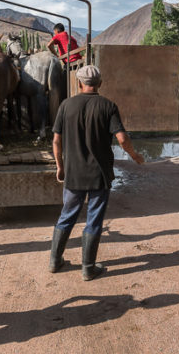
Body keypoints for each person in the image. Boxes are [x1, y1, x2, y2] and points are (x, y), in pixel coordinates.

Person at [49, 64, 144, 280]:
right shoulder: (108, 106)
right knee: (94, 219)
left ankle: (55, 261)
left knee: (67, 216)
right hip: (99, 175)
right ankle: (88, 268)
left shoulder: (66, 106)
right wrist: (135, 155)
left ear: (79, 83)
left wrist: (60, 166)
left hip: (73, 174)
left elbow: (56, 140)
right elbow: (121, 138)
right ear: (100, 83)